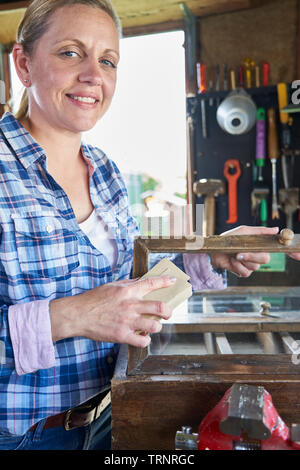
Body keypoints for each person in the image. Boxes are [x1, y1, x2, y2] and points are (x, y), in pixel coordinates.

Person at [0, 0, 298, 451]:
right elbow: (95, 307)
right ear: (23, 63)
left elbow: (133, 287)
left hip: (116, 413)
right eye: (69, 53)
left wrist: (211, 252)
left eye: (107, 61)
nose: (92, 76)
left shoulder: (106, 172)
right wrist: (73, 315)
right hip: (27, 438)